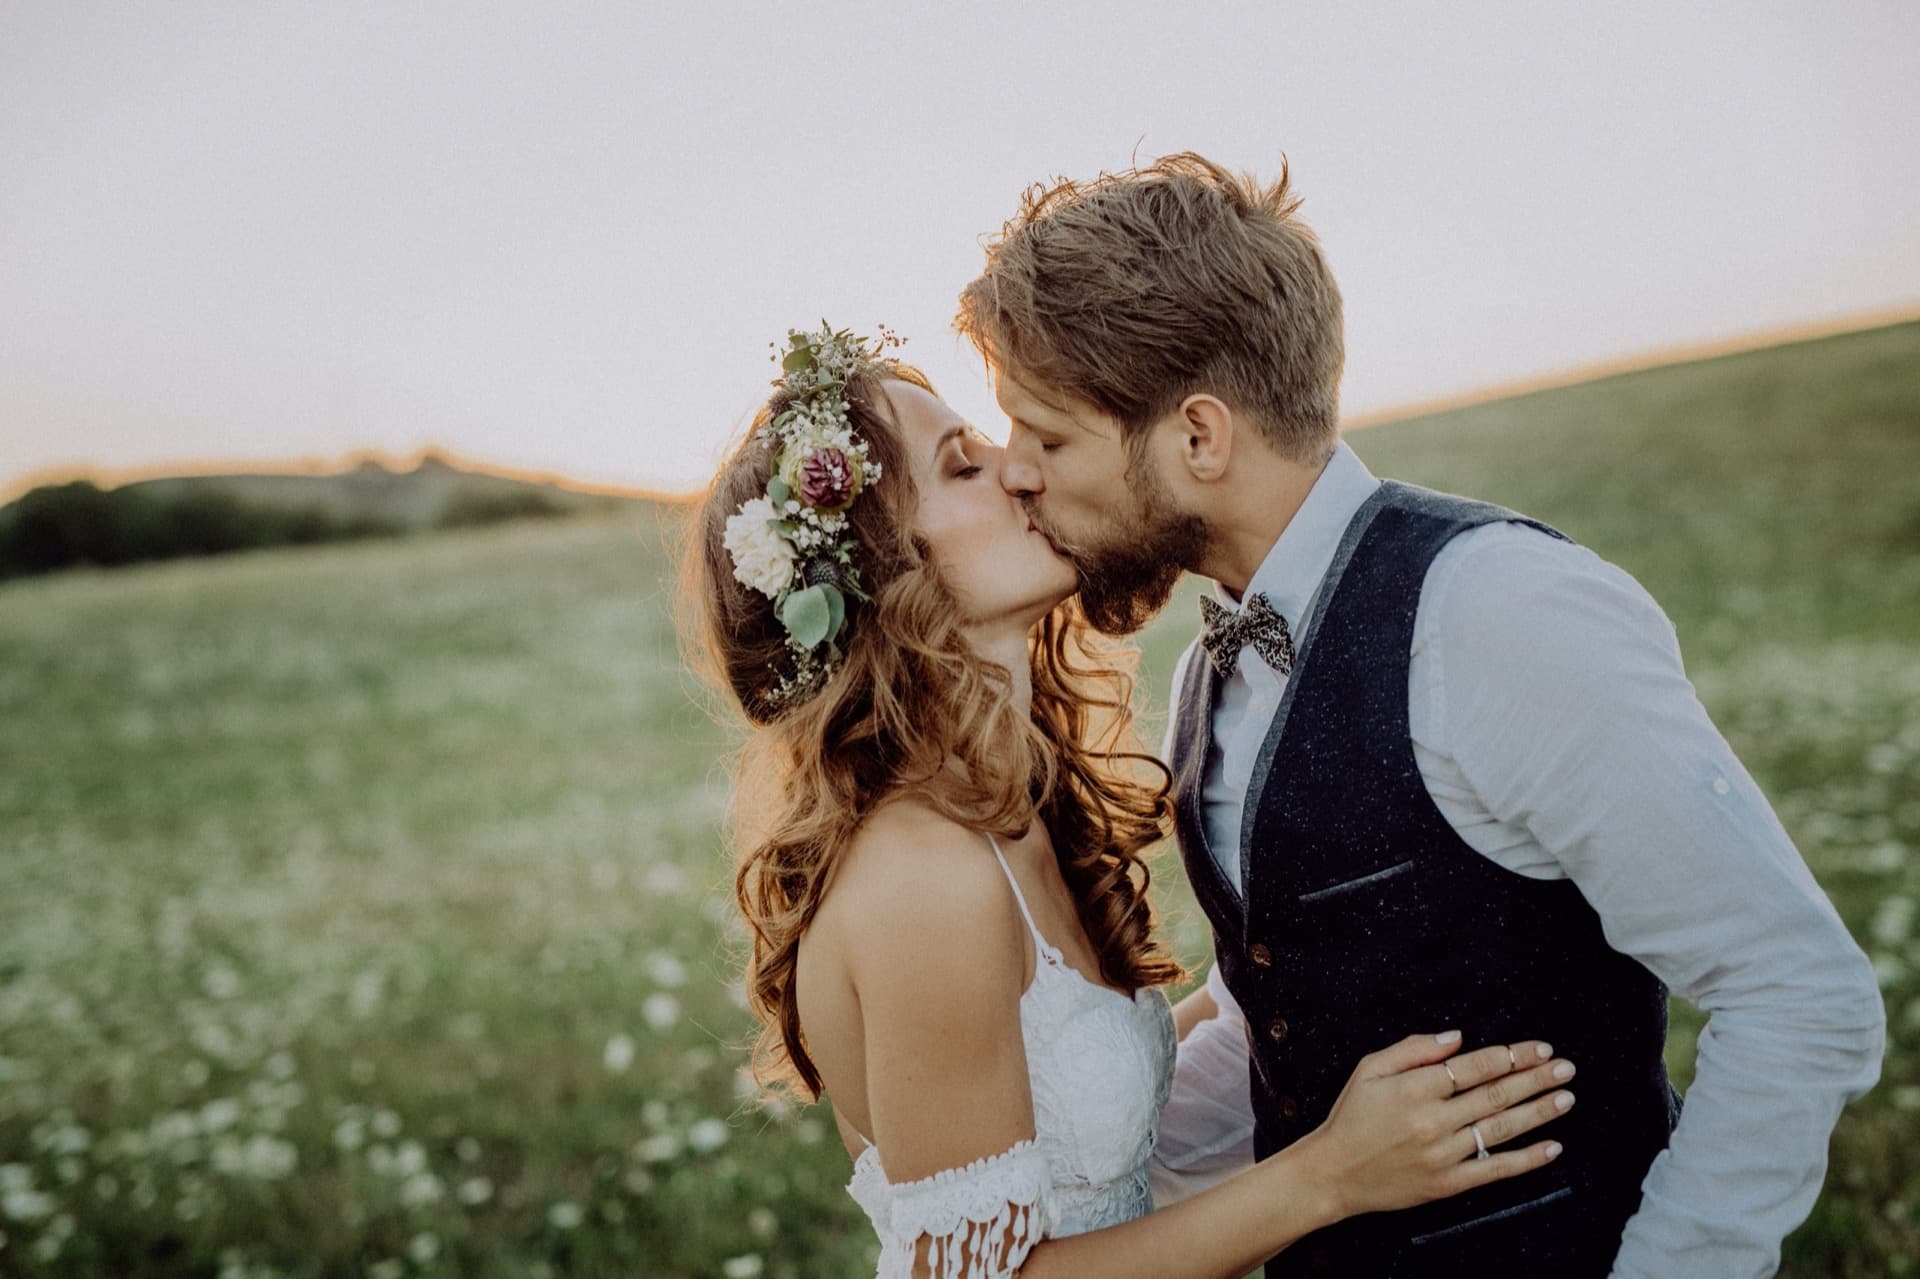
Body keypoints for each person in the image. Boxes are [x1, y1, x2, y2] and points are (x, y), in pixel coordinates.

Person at [954, 152, 1888, 1276]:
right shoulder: (1214, 667)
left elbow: (1798, 991)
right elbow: (1285, 1009)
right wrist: (1096, 1203)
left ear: (1199, 438)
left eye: (1045, 437)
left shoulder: (1498, 612)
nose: (1014, 474)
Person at [680, 325, 1578, 1277]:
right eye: (961, 466)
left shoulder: (1004, 812)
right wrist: (1333, 1174)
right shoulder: (924, 881)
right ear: (883, 572)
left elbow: (1087, 1104)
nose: (1019, 471)